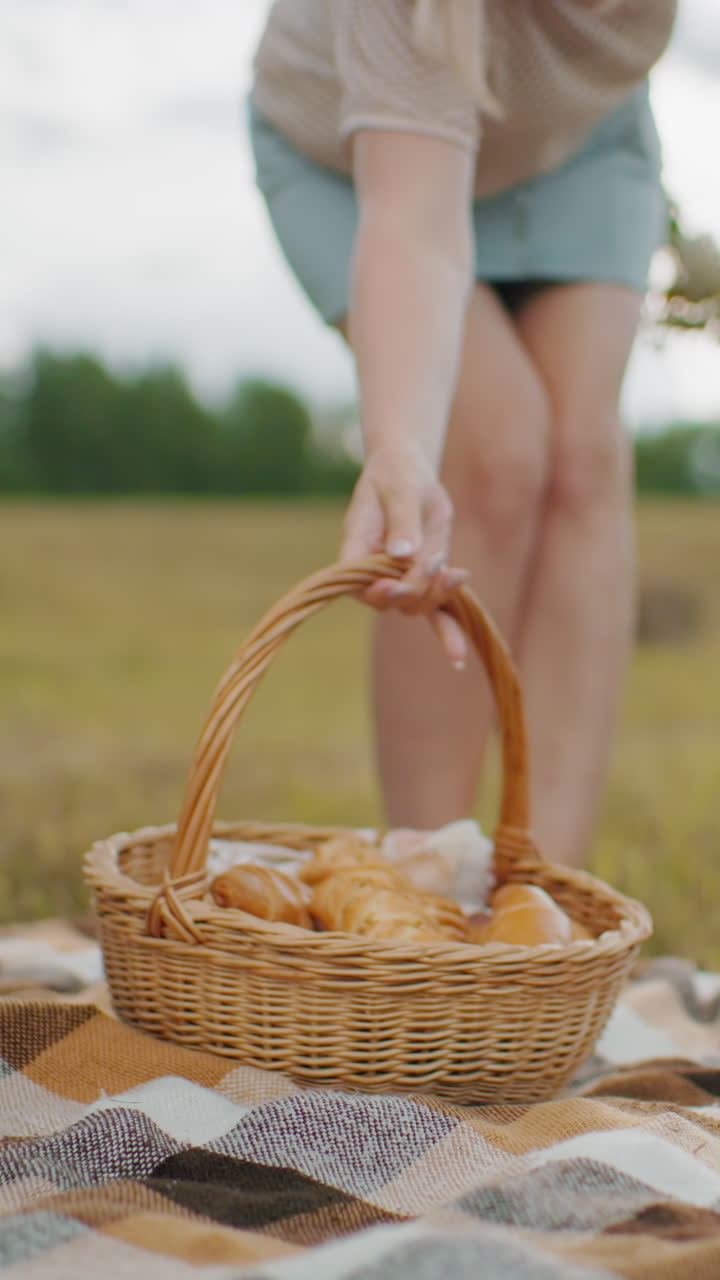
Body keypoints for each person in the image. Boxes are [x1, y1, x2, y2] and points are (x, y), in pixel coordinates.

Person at [249, 0, 677, 867]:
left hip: (581, 141)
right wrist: (402, 448)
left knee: (584, 464)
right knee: (491, 449)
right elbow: (415, 225)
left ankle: (546, 904)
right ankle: (425, 889)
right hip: (352, 147)